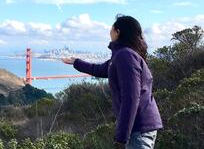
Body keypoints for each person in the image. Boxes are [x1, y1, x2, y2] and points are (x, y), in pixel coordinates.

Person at [62, 14, 163, 149]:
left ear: (118, 32)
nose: (109, 31)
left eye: (111, 28)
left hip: (138, 128)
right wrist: (77, 63)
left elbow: (131, 97)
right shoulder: (123, 54)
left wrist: (121, 138)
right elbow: (102, 69)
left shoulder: (125, 55)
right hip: (139, 127)